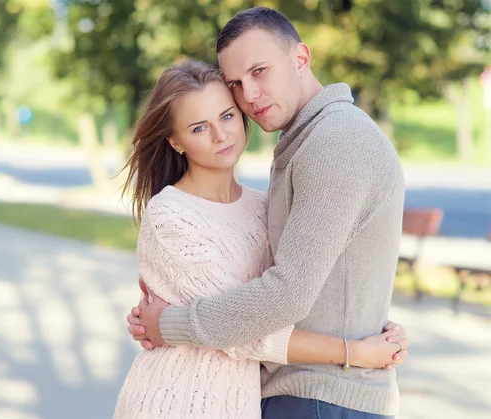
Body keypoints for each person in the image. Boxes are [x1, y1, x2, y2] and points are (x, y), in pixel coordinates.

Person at [127, 7, 407, 419]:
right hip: (266, 394)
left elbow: (286, 293)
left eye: (260, 71)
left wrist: (170, 324)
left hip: (321, 396)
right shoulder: (307, 142)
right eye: (237, 84)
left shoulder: (335, 141)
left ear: (300, 58)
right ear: (177, 140)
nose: (250, 96)